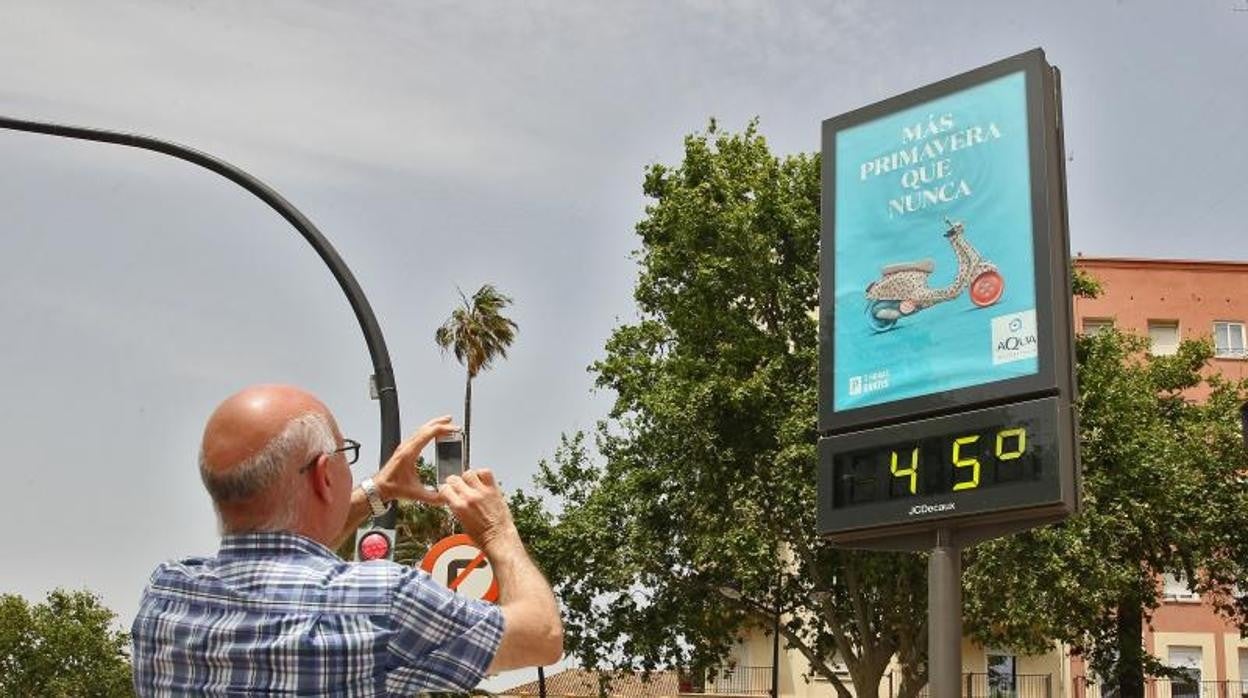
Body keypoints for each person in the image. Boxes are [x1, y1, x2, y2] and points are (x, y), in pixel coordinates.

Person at [131, 384, 562, 695]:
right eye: (344, 453)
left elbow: (288, 560)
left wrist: (379, 491)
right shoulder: (383, 601)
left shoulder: (165, 596)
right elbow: (540, 636)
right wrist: (496, 531)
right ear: (323, 475)